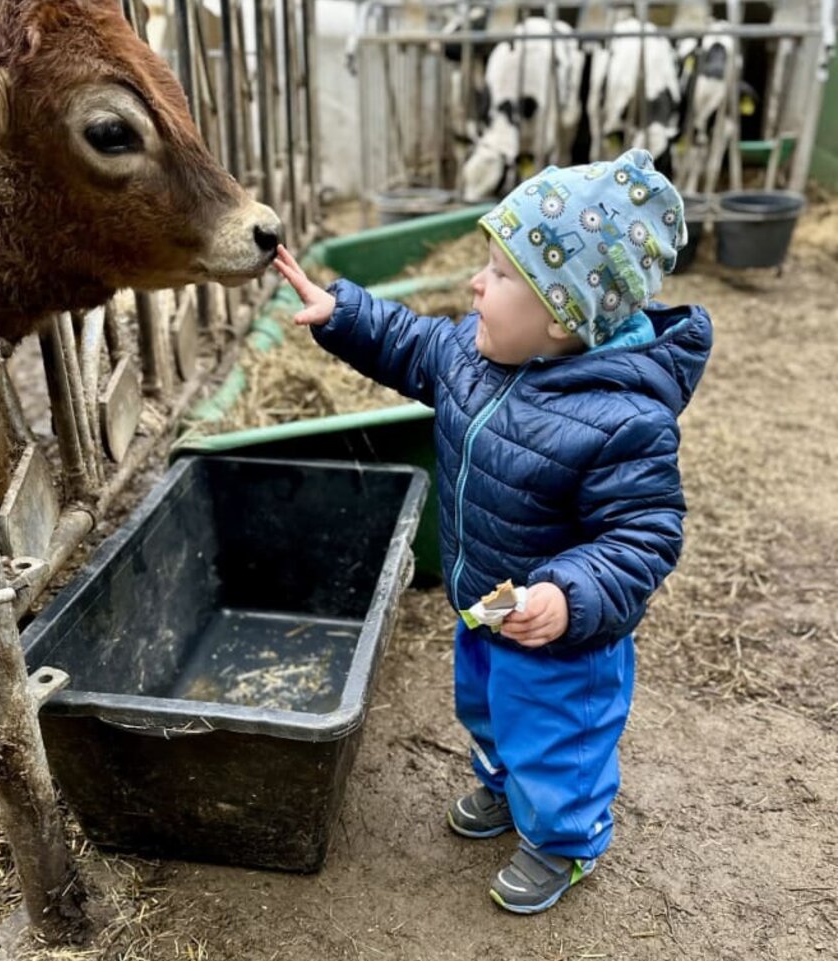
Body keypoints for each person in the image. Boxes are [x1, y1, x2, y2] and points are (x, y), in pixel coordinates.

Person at [274, 149, 713, 914]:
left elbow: (644, 537)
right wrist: (343, 314)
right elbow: (411, 343)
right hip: (486, 606)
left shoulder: (625, 421)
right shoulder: (479, 359)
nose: (476, 284)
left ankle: (565, 842)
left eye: (501, 274)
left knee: (557, 742)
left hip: (559, 640)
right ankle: (506, 790)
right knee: (484, 708)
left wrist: (570, 596)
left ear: (561, 313)